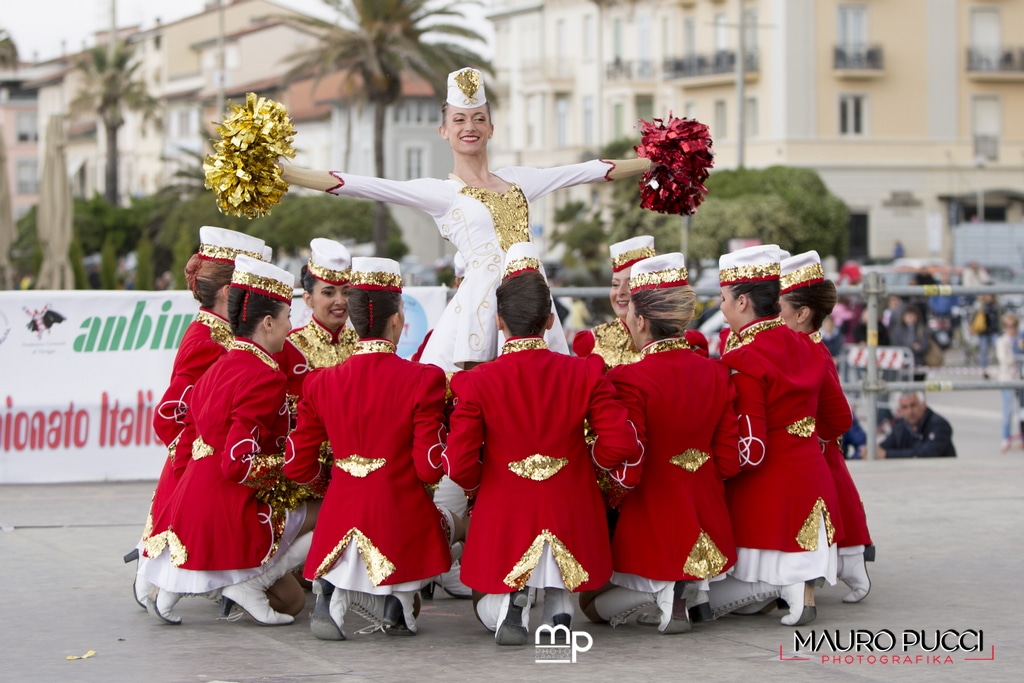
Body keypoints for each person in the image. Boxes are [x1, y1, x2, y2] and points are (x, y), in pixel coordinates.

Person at [279, 67, 657, 371]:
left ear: (491, 128)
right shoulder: (442, 192)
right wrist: (291, 174)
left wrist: (655, 160)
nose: (469, 127)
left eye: (479, 119)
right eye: (459, 120)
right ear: (444, 131)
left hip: (530, 297)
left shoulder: (521, 180)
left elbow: (591, 170)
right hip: (479, 306)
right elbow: (363, 185)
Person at [443, 243, 642, 645]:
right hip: (570, 505)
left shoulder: (478, 382)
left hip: (505, 507)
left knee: (485, 604)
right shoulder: (583, 373)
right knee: (561, 563)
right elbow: (620, 442)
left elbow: (461, 461)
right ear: (550, 320)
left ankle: (512, 603)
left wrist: (480, 484)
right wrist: (589, 461)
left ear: (500, 322)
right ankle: (559, 610)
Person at [143, 255, 319, 626]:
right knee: (327, 508)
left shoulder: (221, 364)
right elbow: (239, 463)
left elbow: (192, 435)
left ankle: (182, 590)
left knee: (291, 601)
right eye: (287, 317)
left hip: (190, 500)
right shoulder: (266, 376)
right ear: (268, 322)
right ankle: (255, 580)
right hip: (230, 506)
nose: (290, 327)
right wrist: (295, 471)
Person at [285, 257, 451, 639]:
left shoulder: (321, 382)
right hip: (399, 514)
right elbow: (428, 468)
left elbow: (296, 465)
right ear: (397, 320)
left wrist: (331, 478)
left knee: (347, 523)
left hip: (339, 512)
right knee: (435, 526)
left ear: (356, 320)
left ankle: (336, 590)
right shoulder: (422, 379)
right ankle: (394, 600)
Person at [580, 253, 739, 634]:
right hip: (707, 512)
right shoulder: (716, 372)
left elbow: (627, 460)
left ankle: (667, 595)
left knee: (590, 605)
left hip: (653, 518)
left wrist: (600, 484)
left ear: (639, 320)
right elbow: (730, 458)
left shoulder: (630, 378)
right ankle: (695, 594)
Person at [127, 226, 268, 610]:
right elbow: (171, 415)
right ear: (229, 293)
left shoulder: (224, 333)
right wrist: (195, 458)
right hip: (197, 458)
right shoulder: (208, 339)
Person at [710, 244, 850, 626]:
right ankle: (796, 589)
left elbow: (751, 447)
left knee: (718, 593)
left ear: (742, 303)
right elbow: (839, 419)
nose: (719, 307)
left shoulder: (744, 356)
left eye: (723, 299)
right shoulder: (810, 347)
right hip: (813, 478)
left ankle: (787, 590)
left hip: (768, 486)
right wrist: (804, 432)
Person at [779, 251, 872, 604]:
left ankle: (849, 563)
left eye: (781, 308)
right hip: (811, 447)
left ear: (802, 314)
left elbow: (839, 415)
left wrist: (813, 436)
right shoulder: (802, 347)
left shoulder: (814, 353)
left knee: (832, 508)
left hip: (816, 448)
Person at [276, 238, 357, 421]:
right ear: (308, 298)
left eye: (346, 292)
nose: (340, 301)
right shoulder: (290, 346)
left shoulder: (363, 344)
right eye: (328, 293)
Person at [572, 235, 656, 368]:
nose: (620, 292)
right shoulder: (593, 341)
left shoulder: (672, 338)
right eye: (615, 284)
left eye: (630, 284)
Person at [877, 391, 957, 458]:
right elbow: (886, 445)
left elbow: (927, 454)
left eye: (913, 405)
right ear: (900, 410)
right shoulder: (900, 426)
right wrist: (871, 451)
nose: (910, 412)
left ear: (923, 405)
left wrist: (887, 454)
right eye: (905, 407)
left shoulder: (939, 425)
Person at [995, 313, 1021, 452]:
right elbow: (1004, 359)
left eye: (1014, 325)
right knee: (1008, 410)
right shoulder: (1002, 341)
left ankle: (1021, 437)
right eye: (1008, 326)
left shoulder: (1020, 338)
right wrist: (1017, 351)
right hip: (1006, 379)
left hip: (1019, 378)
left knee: (1021, 410)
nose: (1012, 328)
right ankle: (1006, 437)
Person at [888, 304, 931, 381]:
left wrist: (918, 348)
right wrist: (910, 347)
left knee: (918, 388)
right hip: (903, 365)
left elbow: (925, 345)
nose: (910, 318)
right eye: (908, 316)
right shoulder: (898, 330)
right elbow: (895, 345)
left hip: (919, 365)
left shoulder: (921, 329)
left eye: (912, 316)